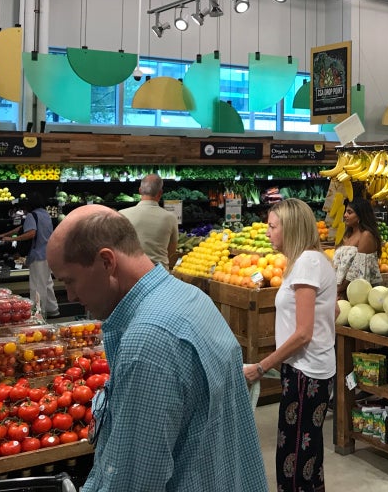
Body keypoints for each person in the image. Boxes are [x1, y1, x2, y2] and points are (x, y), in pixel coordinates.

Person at [46, 205, 267, 492]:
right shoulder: (190, 297)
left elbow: (133, 481)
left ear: (107, 262)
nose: (71, 295)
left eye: (69, 281)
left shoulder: (149, 341)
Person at [242, 198, 336, 492]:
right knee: (308, 456)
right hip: (309, 369)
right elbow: (332, 311)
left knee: (294, 460)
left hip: (305, 374)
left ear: (291, 227)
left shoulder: (307, 263)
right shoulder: (314, 260)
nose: (267, 232)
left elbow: (303, 334)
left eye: (272, 226)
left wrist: (261, 367)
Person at [0, 193, 59, 318]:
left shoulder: (32, 215)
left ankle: (38, 314)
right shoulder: (45, 214)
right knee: (47, 282)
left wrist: (11, 239)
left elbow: (31, 233)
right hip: (48, 253)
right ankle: (53, 309)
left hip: (37, 255)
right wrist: (5, 234)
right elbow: (22, 228)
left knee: (37, 286)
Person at [119, 173, 178, 270]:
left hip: (131, 272)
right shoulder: (170, 218)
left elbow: (117, 246)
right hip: (159, 272)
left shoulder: (122, 214)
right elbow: (172, 250)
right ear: (160, 193)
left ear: (140, 190)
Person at [332, 197, 383, 295]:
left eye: (349, 212)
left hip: (356, 291)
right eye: (345, 212)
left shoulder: (366, 235)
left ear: (360, 215)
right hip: (341, 289)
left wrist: (339, 290)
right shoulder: (348, 234)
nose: (345, 215)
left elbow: (357, 269)